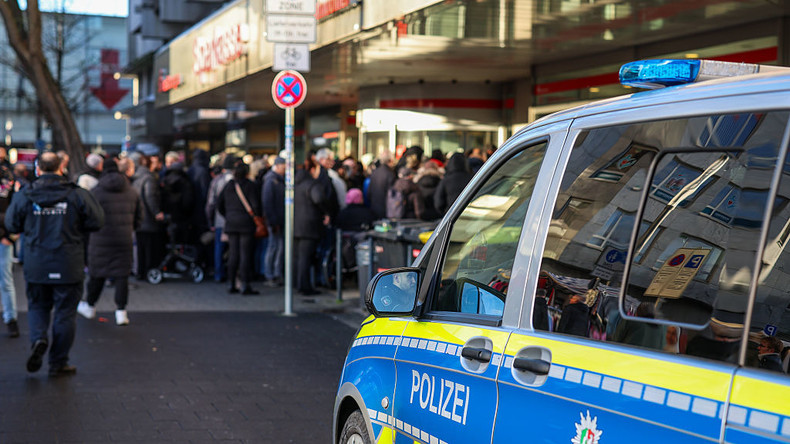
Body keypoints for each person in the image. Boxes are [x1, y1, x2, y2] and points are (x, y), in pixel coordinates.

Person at [5, 151, 104, 376]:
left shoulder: (26, 195)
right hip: (68, 262)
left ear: (38, 169)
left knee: (38, 306)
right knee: (65, 313)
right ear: (61, 168)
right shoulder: (76, 194)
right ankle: (58, 362)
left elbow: (12, 224)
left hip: (36, 262)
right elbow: (97, 220)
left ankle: (39, 338)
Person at [78, 158, 141, 326]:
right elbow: (138, 218)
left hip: (100, 239)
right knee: (122, 275)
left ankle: (90, 306)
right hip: (124, 238)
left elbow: (87, 217)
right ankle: (121, 312)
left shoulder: (96, 192)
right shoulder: (131, 191)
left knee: (97, 274)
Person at [217, 162, 261, 295]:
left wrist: (228, 215)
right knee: (245, 254)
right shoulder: (250, 186)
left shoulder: (229, 186)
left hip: (231, 223)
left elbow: (219, 204)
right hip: (246, 223)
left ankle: (231, 283)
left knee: (233, 254)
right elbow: (256, 205)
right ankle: (245, 284)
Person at [129, 152, 165, 280]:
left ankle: (141, 271)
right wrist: (157, 213)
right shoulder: (149, 178)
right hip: (148, 219)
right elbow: (150, 197)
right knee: (150, 248)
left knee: (141, 247)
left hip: (139, 218)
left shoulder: (136, 178)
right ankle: (149, 271)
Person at [294, 159, 327, 296]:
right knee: (306, 258)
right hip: (310, 226)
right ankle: (305, 286)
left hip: (295, 227)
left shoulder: (295, 187)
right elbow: (319, 199)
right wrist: (325, 212)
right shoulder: (313, 185)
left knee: (299, 258)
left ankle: (298, 284)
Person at [206, 155, 236, 282]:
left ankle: (219, 274)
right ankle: (233, 275)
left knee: (219, 248)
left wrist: (210, 220)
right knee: (234, 248)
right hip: (234, 220)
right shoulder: (237, 180)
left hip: (220, 220)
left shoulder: (217, 181)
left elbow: (210, 204)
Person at [0, 163, 18, 337]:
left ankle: (11, 318)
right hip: (5, 235)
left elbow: (14, 207)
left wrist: (11, 235)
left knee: (6, 280)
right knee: (6, 280)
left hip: (4, 237)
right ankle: (10, 318)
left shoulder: (7, 178)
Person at [161, 151, 194, 245]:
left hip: (171, 217)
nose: (168, 164)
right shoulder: (184, 178)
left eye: (170, 162)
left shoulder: (165, 179)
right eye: (167, 162)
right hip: (180, 217)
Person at [262, 156, 286, 287]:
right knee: (273, 247)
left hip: (279, 219)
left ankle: (276, 273)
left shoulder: (277, 180)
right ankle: (270, 274)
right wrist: (272, 221)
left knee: (278, 247)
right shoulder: (271, 180)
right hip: (275, 220)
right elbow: (268, 203)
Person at [367, 151, 396, 220]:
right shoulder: (390, 174)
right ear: (390, 161)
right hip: (386, 210)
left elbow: (369, 193)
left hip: (374, 208)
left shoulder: (375, 173)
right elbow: (392, 195)